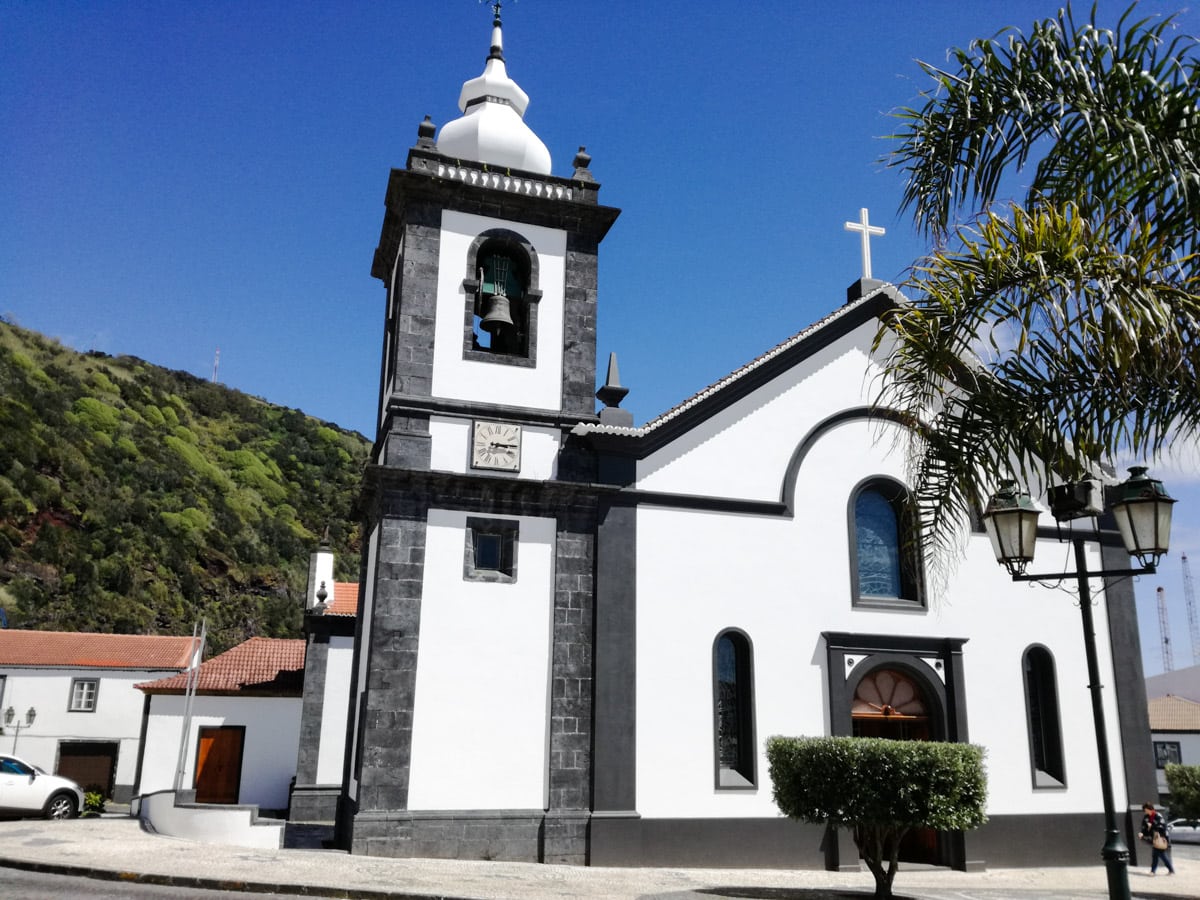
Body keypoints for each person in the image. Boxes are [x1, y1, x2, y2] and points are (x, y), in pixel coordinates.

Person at [1140, 801, 1175, 876]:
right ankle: (1168, 870)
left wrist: (1152, 826)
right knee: (1157, 855)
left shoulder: (1158, 815)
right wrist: (1142, 833)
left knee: (1159, 855)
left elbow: (1162, 826)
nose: (1145, 812)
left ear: (1150, 809)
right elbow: (1144, 827)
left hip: (1161, 837)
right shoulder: (1146, 817)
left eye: (1145, 810)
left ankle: (1155, 871)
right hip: (1154, 838)